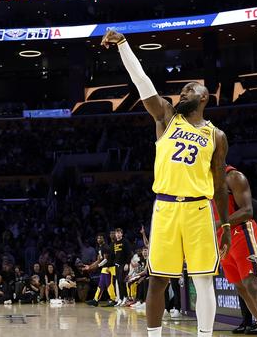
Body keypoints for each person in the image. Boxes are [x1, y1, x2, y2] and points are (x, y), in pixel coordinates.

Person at [101, 30, 232, 337]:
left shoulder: (216, 135)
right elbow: (142, 81)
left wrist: (225, 226)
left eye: (189, 90)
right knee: (158, 279)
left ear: (204, 97)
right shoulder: (166, 116)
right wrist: (123, 45)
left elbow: (220, 183)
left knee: (202, 280)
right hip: (167, 207)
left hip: (200, 209)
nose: (182, 93)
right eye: (181, 90)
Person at [216, 165, 257, 337]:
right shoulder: (203, 181)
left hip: (241, 232)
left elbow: (248, 211)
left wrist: (218, 223)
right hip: (222, 240)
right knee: (241, 288)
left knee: (252, 283)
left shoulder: (233, 176)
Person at [85, 233, 116, 307]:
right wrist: (90, 267)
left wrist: (96, 266)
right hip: (104, 268)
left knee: (109, 284)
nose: (99, 239)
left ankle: (113, 300)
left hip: (110, 268)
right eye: (98, 238)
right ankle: (95, 300)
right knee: (100, 285)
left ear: (103, 239)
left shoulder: (105, 247)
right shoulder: (99, 248)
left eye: (100, 238)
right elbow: (99, 260)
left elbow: (105, 260)